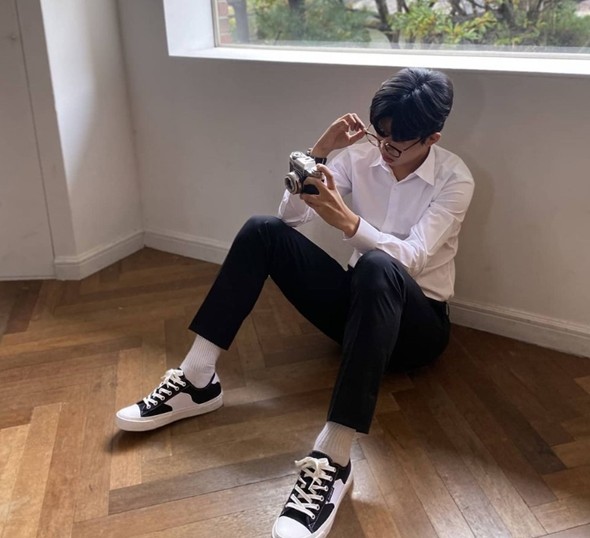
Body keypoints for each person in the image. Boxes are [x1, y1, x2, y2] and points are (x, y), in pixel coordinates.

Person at [116, 67, 474, 538]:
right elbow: (290, 218)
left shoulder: (455, 178)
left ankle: (334, 458)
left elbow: (412, 258)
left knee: (377, 266)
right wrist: (319, 152)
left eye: (396, 144)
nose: (383, 149)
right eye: (379, 135)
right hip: (356, 315)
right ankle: (198, 378)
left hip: (417, 328)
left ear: (431, 138)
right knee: (261, 230)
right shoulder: (358, 156)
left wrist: (348, 222)